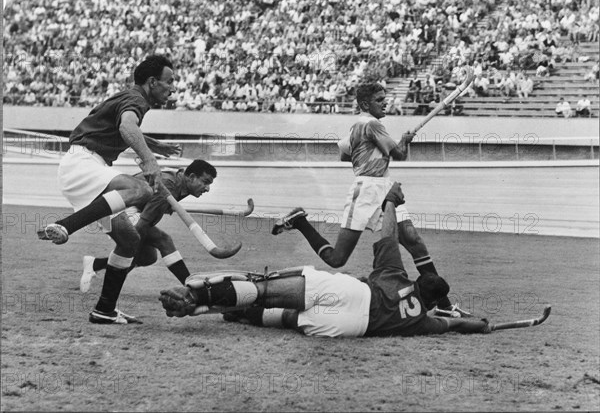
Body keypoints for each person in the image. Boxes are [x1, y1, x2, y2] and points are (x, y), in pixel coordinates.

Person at [158, 186, 490, 337]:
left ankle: (199, 297)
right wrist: (480, 326)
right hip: (352, 328)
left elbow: (387, 237)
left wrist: (390, 201)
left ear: (417, 282)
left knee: (267, 288)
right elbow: (457, 325)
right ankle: (240, 313)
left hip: (354, 294)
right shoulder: (423, 323)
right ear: (431, 304)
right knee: (287, 317)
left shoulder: (396, 275)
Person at [272, 83, 467, 317]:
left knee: (414, 242)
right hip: (366, 191)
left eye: (385, 98)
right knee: (337, 259)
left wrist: (371, 153)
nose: (385, 102)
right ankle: (300, 222)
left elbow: (345, 155)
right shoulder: (372, 124)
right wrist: (405, 140)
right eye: (379, 100)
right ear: (365, 104)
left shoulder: (357, 127)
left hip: (385, 188)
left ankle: (444, 305)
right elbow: (400, 155)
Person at [38, 55, 180, 324]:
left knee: (129, 241)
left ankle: (104, 310)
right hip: (84, 164)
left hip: (81, 168)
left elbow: (123, 126)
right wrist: (150, 160)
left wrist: (155, 145)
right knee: (142, 190)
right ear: (152, 82)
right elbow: (127, 126)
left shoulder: (130, 98)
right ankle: (67, 225)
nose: (172, 88)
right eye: (169, 82)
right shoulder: (137, 100)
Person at [81, 160, 217, 307]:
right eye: (205, 182)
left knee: (147, 257)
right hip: (109, 209)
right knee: (163, 240)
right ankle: (194, 289)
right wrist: (127, 253)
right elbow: (142, 224)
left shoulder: (179, 181)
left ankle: (95, 264)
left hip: (121, 208)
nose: (207, 188)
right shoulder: (169, 185)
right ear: (191, 177)